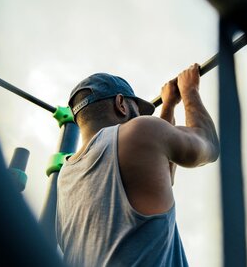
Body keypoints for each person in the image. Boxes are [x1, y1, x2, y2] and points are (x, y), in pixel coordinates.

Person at [56, 63, 220, 267]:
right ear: (121, 104)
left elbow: (160, 178)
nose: (141, 118)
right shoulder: (137, 131)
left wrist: (168, 105)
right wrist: (190, 90)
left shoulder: (65, 177)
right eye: (137, 111)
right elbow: (209, 144)